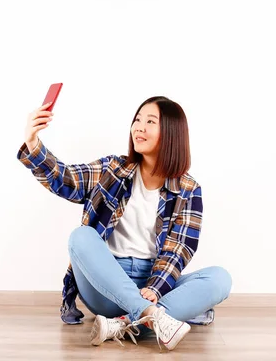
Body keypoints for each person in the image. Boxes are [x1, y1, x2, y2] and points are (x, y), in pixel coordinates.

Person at [17, 95, 232, 351]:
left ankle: (122, 324)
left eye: (150, 121)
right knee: (81, 237)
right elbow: (66, 180)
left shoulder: (188, 189)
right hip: (106, 284)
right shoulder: (113, 169)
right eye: (138, 119)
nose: (139, 127)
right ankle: (152, 316)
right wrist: (33, 142)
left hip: (152, 283)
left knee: (220, 279)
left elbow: (180, 248)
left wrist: (155, 287)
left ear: (172, 133)